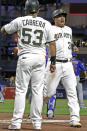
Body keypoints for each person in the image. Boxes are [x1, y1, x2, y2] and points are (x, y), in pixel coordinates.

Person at [1, 0, 56, 130]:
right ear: (37, 10)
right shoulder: (46, 23)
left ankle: (16, 123)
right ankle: (37, 124)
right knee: (37, 91)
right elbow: (52, 44)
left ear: (26, 9)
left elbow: (4, 30)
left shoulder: (20, 20)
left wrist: (7, 28)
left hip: (25, 57)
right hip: (40, 58)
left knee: (21, 91)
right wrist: (53, 62)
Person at [43, 9, 81, 128]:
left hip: (68, 64)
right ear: (54, 19)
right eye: (59, 16)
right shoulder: (49, 29)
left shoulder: (68, 29)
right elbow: (43, 43)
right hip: (54, 64)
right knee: (48, 92)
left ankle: (74, 119)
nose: (62, 18)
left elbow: (69, 41)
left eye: (63, 16)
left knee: (72, 92)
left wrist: (74, 46)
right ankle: (35, 111)